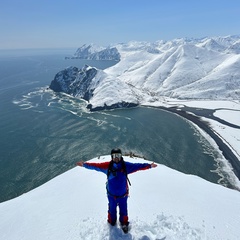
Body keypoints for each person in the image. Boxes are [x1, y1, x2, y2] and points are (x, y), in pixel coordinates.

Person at [77, 148, 157, 233]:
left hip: (123, 195)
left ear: (121, 156)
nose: (116, 158)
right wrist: (84, 165)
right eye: (114, 156)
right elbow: (96, 166)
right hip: (111, 195)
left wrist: (149, 166)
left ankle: (124, 223)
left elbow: (137, 166)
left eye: (118, 155)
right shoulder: (107, 166)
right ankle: (112, 221)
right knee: (112, 211)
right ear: (111, 157)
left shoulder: (126, 166)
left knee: (124, 210)